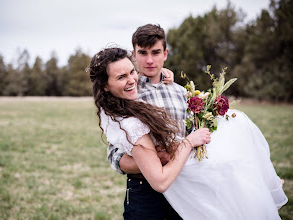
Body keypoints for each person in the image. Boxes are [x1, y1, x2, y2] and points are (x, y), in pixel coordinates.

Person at [88, 47, 288, 220]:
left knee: (236, 129)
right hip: (153, 186)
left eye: (132, 72)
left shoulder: (127, 100)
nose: (132, 80)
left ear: (165, 54)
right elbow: (157, 179)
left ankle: (263, 180)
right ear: (105, 85)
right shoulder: (130, 123)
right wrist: (187, 143)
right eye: (121, 77)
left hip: (184, 183)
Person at [107, 24, 190, 219]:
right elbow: (114, 156)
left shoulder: (181, 92)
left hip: (185, 186)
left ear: (165, 53)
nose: (150, 60)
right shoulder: (126, 93)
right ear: (133, 55)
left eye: (156, 52)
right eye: (143, 53)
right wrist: (154, 161)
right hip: (144, 191)